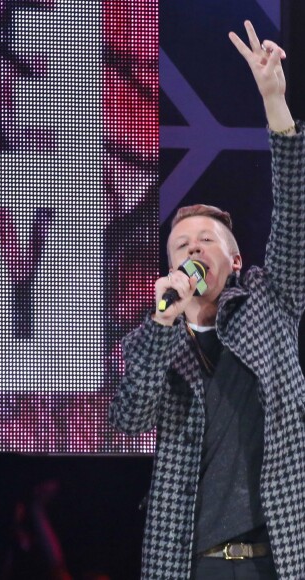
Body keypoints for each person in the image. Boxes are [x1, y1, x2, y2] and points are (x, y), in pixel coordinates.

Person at [109, 20, 305, 580]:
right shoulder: (154, 335)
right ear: (172, 266)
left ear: (235, 261)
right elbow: (130, 416)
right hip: (193, 563)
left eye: (206, 243)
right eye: (182, 246)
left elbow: (294, 210)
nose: (193, 251)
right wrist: (162, 320)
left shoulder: (271, 300)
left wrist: (274, 101)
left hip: (280, 557)